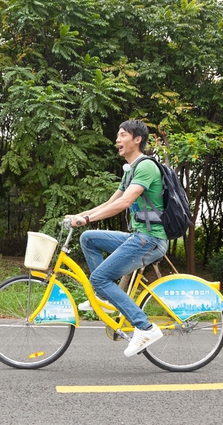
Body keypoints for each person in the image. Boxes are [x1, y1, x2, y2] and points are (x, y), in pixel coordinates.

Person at [66, 120, 167, 357]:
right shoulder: (131, 170)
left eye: (122, 135)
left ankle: (146, 327)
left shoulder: (146, 167)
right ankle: (104, 296)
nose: (117, 140)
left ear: (137, 139)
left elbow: (124, 203)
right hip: (139, 237)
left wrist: (87, 219)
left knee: (100, 277)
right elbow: (111, 202)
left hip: (150, 239)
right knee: (89, 238)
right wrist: (80, 216)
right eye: (117, 135)